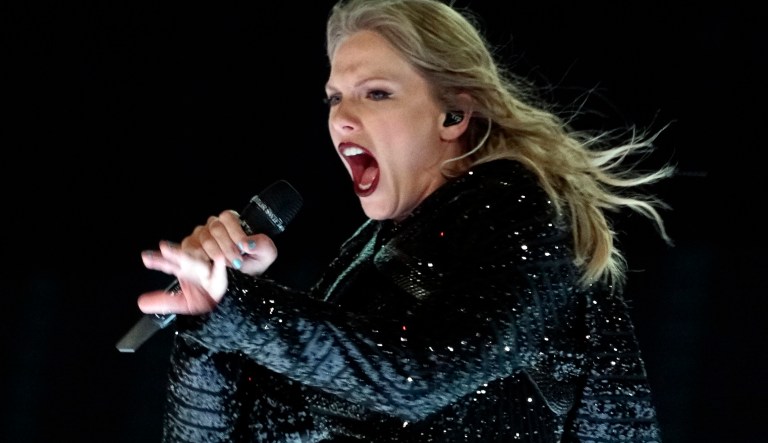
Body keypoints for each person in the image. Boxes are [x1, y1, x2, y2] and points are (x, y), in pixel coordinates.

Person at [136, 0, 674, 441]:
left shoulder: (517, 209)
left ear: (453, 115)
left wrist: (241, 313)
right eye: (334, 99)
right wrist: (213, 309)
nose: (342, 118)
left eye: (376, 93)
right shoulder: (368, 252)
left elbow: (421, 373)